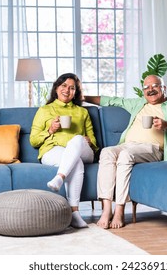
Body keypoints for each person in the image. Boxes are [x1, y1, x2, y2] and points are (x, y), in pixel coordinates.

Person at [84, 75, 167, 229]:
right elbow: (111, 100)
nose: (151, 90)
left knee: (125, 156)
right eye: (146, 87)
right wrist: (82, 97)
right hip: (128, 144)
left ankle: (120, 210)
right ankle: (107, 209)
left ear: (164, 88)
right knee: (107, 152)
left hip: (153, 148)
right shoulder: (138, 104)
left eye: (155, 86)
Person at [30, 73, 98, 228]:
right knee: (77, 163)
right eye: (64, 86)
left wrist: (87, 140)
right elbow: (33, 140)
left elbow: (93, 140)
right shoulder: (45, 110)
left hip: (83, 150)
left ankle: (59, 177)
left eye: (72, 88)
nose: (67, 90)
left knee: (77, 140)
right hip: (53, 151)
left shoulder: (82, 112)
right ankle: (74, 213)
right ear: (56, 88)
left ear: (76, 92)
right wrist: (50, 130)